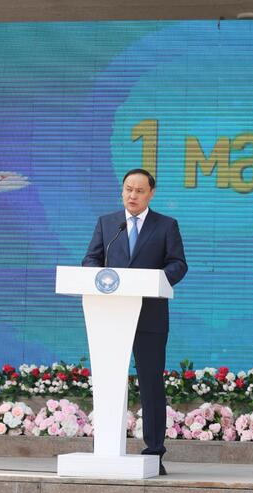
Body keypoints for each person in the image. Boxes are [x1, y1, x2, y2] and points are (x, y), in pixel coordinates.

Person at [82, 168, 187, 475]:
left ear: (151, 194)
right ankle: (106, 449)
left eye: (140, 190)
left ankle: (154, 452)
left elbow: (178, 264)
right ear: (122, 190)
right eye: (128, 189)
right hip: (111, 315)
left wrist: (154, 281)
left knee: (151, 384)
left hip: (149, 316)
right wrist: (97, 276)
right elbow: (91, 259)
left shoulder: (166, 225)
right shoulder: (108, 224)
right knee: (109, 380)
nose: (133, 195)